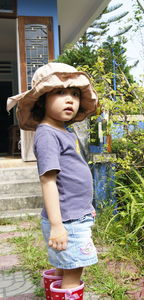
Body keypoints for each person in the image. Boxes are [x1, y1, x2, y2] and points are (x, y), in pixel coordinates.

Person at [7, 62, 99, 300]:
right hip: (66, 219)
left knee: (65, 265)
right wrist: (58, 226)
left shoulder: (63, 131)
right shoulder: (48, 134)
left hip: (73, 214)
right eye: (60, 92)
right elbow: (48, 182)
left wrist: (85, 208)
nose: (70, 99)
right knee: (73, 271)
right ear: (42, 101)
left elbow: (71, 177)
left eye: (75, 94)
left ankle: (55, 290)